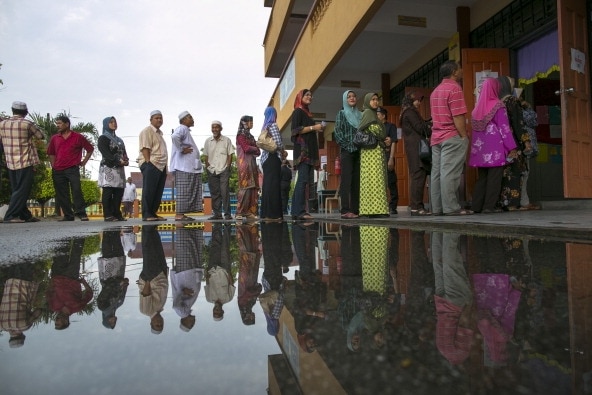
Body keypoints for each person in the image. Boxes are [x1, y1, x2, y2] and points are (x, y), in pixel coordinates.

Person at [429, 60, 473, 216]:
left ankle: (437, 208)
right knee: (450, 173)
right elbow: (458, 116)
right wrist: (463, 136)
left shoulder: (435, 91)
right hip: (451, 136)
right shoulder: (455, 88)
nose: (461, 70)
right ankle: (451, 208)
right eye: (460, 68)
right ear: (454, 72)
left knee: (437, 174)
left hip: (436, 138)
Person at [468, 78, 517, 214]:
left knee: (482, 178)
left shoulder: (476, 109)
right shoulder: (498, 105)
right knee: (494, 178)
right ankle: (489, 206)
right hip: (494, 148)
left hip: (480, 150)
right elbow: (504, 128)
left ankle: (476, 206)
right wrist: (511, 147)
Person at [0, 101, 45, 223]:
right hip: (25, 161)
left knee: (17, 189)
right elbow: (41, 136)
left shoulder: (3, 124)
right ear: (25, 112)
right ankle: (10, 216)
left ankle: (26, 215)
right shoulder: (27, 123)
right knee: (22, 190)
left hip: (10, 162)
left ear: (12, 110)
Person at [47, 115, 94, 221]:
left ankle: (81, 213)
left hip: (72, 168)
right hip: (58, 170)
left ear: (67, 124)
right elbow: (51, 153)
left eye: (59, 123)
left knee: (76, 190)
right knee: (62, 193)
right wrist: (53, 166)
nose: (57, 126)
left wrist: (84, 161)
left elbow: (90, 149)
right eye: (57, 124)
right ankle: (68, 215)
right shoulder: (55, 138)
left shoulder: (78, 137)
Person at [497, 76, 532, 211]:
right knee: (516, 171)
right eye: (511, 83)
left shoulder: (498, 102)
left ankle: (504, 202)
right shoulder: (512, 100)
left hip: (501, 142)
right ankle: (512, 203)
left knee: (505, 173)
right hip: (513, 142)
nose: (513, 86)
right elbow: (519, 123)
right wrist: (526, 141)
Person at [290, 89, 325, 220]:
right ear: (300, 97)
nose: (310, 97)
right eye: (307, 95)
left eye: (311, 95)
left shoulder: (307, 113)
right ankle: (299, 212)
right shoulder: (298, 111)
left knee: (304, 181)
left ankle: (296, 211)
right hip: (303, 152)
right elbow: (295, 130)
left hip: (310, 151)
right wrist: (314, 128)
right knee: (302, 181)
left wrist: (318, 128)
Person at [46, 238, 93, 330]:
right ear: (66, 322)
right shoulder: (77, 307)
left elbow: (48, 293)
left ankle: (64, 230)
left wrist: (51, 282)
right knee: (76, 252)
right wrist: (84, 282)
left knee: (61, 250)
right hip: (72, 276)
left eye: (55, 322)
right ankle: (80, 232)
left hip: (57, 275)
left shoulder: (53, 306)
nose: (57, 320)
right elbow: (89, 295)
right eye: (58, 323)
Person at [400, 93, 432, 216]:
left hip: (413, 149)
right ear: (410, 101)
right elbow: (420, 127)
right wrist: (429, 126)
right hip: (416, 149)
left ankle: (417, 206)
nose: (419, 103)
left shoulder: (406, 112)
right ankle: (417, 207)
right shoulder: (410, 112)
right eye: (417, 100)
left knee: (417, 176)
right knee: (419, 176)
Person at [358, 93, 390, 217]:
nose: (376, 102)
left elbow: (380, 131)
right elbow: (375, 130)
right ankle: (371, 210)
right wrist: (382, 136)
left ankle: (378, 209)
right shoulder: (367, 113)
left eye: (377, 99)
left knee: (377, 180)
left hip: (376, 151)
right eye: (373, 100)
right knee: (372, 180)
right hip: (370, 152)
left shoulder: (374, 115)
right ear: (367, 101)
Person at [0, 262, 43, 347]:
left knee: (26, 259)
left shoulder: (24, 326)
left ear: (22, 336)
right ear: (10, 338)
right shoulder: (1, 326)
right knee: (14, 258)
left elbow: (38, 311)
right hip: (9, 283)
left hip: (23, 284)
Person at [333, 90, 362, 219]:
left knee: (356, 181)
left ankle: (355, 210)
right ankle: (345, 210)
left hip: (359, 151)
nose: (352, 98)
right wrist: (349, 146)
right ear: (345, 99)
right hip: (347, 151)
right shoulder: (341, 114)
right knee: (346, 181)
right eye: (349, 97)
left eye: (354, 96)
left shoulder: (360, 115)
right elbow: (338, 134)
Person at [170, 111, 203, 222]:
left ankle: (181, 214)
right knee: (183, 191)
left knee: (186, 190)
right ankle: (179, 215)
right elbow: (174, 136)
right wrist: (181, 149)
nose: (192, 119)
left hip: (187, 167)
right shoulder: (182, 128)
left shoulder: (185, 130)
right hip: (183, 167)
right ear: (183, 120)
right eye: (190, 117)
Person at [171, 227, 204, 332]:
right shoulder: (187, 310)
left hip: (185, 274)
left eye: (191, 324)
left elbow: (175, 306)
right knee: (192, 247)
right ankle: (187, 228)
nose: (194, 322)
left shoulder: (182, 313)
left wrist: (182, 292)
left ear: (185, 322)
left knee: (186, 247)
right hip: (190, 273)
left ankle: (183, 228)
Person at [137, 225, 169, 334]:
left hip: (151, 277)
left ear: (151, 323)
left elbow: (146, 294)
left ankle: (146, 227)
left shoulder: (146, 311)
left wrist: (147, 279)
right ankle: (152, 228)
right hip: (161, 274)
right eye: (161, 325)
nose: (159, 322)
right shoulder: (160, 308)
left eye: (157, 325)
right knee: (157, 248)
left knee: (149, 250)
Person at [138, 110, 168, 222]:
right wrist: (148, 163)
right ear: (151, 120)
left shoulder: (159, 134)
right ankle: (146, 214)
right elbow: (145, 148)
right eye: (156, 118)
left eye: (161, 118)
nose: (159, 120)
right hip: (151, 164)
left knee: (157, 191)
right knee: (149, 190)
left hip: (161, 166)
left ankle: (153, 213)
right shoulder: (147, 131)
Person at [97, 116, 129, 222]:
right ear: (106, 124)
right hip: (108, 168)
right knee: (108, 191)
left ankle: (117, 213)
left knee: (119, 192)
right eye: (111, 122)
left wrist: (126, 160)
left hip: (119, 169)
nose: (114, 124)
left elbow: (124, 153)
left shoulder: (120, 140)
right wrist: (116, 161)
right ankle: (108, 214)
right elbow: (105, 153)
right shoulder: (103, 138)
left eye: (115, 122)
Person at [97, 230, 129, 329]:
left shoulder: (103, 307)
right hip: (119, 270)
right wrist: (126, 283)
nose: (113, 320)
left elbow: (106, 289)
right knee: (117, 243)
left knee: (107, 243)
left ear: (105, 320)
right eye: (114, 322)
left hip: (108, 272)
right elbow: (123, 290)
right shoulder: (119, 303)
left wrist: (118, 283)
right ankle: (115, 226)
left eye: (110, 322)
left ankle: (108, 223)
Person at [204, 120, 235, 220]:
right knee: (214, 192)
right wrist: (208, 167)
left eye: (217, 127)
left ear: (221, 128)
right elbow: (206, 155)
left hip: (223, 170)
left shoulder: (226, 140)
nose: (214, 129)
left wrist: (228, 166)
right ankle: (217, 214)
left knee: (224, 192)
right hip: (212, 170)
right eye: (213, 127)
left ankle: (227, 214)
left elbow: (230, 154)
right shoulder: (208, 141)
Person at [260, 106, 286, 221]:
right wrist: (283, 151)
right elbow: (278, 144)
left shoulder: (264, 128)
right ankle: (274, 215)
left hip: (265, 160)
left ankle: (265, 213)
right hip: (273, 158)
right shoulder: (273, 126)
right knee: (274, 186)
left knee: (267, 186)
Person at [205, 223, 235, 321]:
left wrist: (208, 272)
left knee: (215, 245)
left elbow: (207, 283)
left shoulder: (209, 298)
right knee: (225, 246)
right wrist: (228, 271)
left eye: (215, 313)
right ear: (222, 312)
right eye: (218, 313)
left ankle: (217, 225)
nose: (216, 311)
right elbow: (231, 284)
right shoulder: (228, 299)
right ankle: (227, 225)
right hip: (225, 269)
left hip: (212, 269)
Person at [235, 115, 261, 221]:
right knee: (245, 187)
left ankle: (249, 212)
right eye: (250, 121)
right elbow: (245, 148)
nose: (252, 123)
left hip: (253, 164)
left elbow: (258, 152)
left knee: (253, 188)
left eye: (252, 121)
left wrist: (254, 148)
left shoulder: (251, 136)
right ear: (244, 123)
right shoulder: (240, 136)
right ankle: (240, 212)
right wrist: (255, 147)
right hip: (244, 165)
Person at [237, 223, 262, 325]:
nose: (253, 316)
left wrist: (257, 292)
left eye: (251, 318)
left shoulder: (243, 305)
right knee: (252, 247)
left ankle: (243, 227)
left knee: (248, 247)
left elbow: (249, 293)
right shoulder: (249, 306)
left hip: (247, 275)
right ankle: (248, 226)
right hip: (250, 275)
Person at [377, 107, 399, 215]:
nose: (376, 117)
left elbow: (394, 142)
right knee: (379, 182)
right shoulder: (376, 127)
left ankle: (393, 206)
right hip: (377, 157)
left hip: (387, 156)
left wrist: (391, 158)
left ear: (383, 115)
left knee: (391, 181)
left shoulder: (391, 126)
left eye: (378, 114)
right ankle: (381, 205)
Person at [519, 99, 540, 211]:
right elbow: (532, 121)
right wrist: (528, 107)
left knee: (523, 173)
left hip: (514, 144)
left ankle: (522, 201)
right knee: (524, 173)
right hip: (522, 145)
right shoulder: (517, 109)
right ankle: (523, 202)